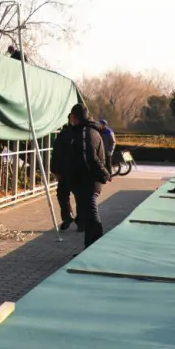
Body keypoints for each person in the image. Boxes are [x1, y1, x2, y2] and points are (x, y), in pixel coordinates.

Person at [60, 103, 110, 247]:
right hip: (84, 181)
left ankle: (96, 247)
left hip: (87, 181)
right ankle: (90, 247)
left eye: (71, 117)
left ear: (74, 117)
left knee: (92, 216)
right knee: (89, 217)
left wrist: (104, 174)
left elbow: (90, 157)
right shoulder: (89, 131)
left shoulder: (85, 132)